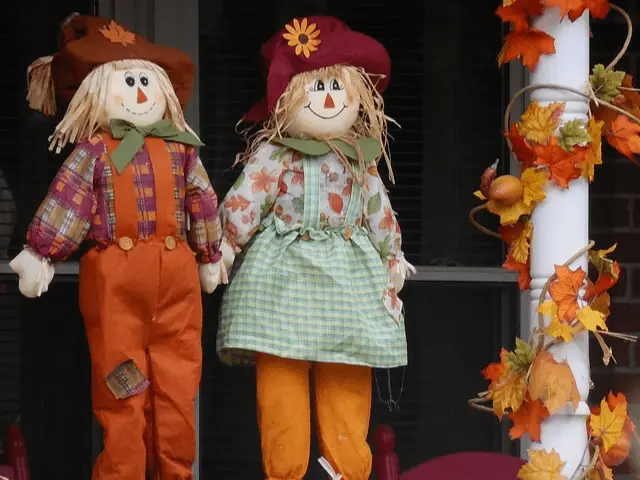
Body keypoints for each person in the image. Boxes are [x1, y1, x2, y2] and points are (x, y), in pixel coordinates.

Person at [9, 14, 224, 479]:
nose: (140, 90)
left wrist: (210, 254)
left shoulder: (183, 151)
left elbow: (201, 202)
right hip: (115, 283)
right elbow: (68, 202)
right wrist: (41, 251)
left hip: (177, 284)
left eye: (147, 80)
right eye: (127, 81)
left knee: (178, 382)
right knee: (120, 381)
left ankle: (176, 472)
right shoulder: (93, 153)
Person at [217, 16, 413, 480]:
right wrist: (224, 246)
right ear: (289, 96)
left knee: (345, 385)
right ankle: (285, 472)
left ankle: (346, 471)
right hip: (280, 283)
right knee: (280, 390)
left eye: (336, 88)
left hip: (347, 286)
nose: (327, 100)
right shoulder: (274, 154)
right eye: (316, 87)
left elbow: (377, 210)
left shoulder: (357, 158)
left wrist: (392, 256)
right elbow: (246, 199)